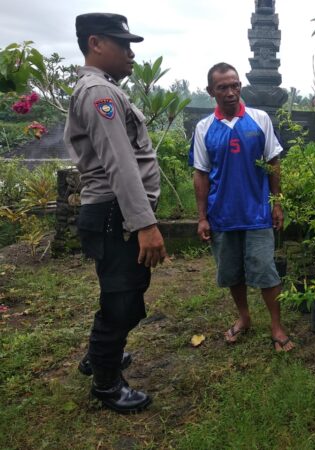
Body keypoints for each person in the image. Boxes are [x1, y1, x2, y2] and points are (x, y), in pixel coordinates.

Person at [64, 13, 168, 413]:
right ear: (95, 43)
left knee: (122, 291)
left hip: (111, 212)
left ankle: (100, 355)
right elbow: (120, 164)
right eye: (122, 44)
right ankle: (107, 384)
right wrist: (145, 224)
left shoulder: (103, 89)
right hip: (116, 213)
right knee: (123, 298)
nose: (131, 53)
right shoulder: (97, 93)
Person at [189, 62, 294, 352]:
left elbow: (274, 163)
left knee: (266, 271)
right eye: (223, 87)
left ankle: (276, 325)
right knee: (232, 272)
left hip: (257, 213)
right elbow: (200, 174)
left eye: (235, 85)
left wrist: (276, 204)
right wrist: (201, 218)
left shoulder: (259, 120)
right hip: (222, 215)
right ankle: (244, 318)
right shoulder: (204, 128)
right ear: (211, 91)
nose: (231, 91)